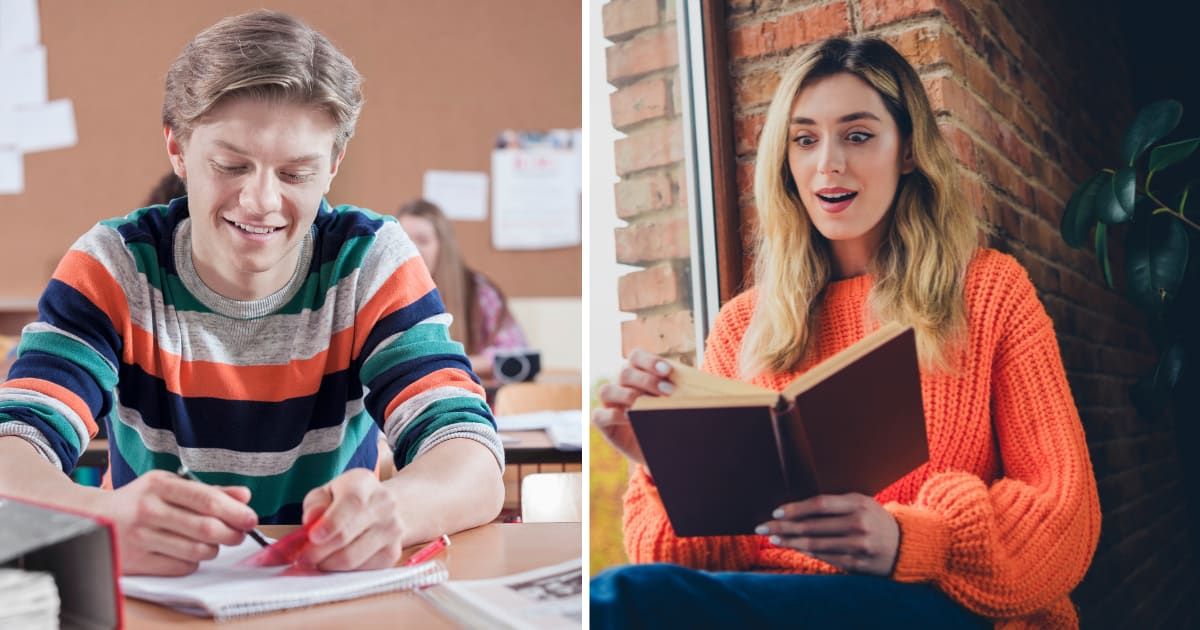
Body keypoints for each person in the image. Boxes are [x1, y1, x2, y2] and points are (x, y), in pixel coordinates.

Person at [591, 37, 1100, 629]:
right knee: (634, 595)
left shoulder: (987, 290)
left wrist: (911, 540)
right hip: (787, 606)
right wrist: (666, 464)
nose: (828, 162)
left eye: (857, 135)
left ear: (907, 150)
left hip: (948, 605)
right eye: (805, 139)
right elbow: (685, 558)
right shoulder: (741, 326)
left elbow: (1064, 515)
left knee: (621, 602)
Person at [0, 10, 504, 577]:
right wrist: (100, 520)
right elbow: (13, 447)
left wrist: (396, 510)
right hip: (153, 595)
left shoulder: (369, 261)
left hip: (326, 594)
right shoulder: (115, 265)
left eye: (295, 175)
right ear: (177, 149)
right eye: (231, 165)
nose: (260, 201)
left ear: (333, 166)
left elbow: (471, 455)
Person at [395, 199, 527, 380]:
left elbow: (516, 355)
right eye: (404, 240)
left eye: (423, 240)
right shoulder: (389, 295)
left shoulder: (478, 292)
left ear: (443, 247)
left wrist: (449, 363)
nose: (413, 249)